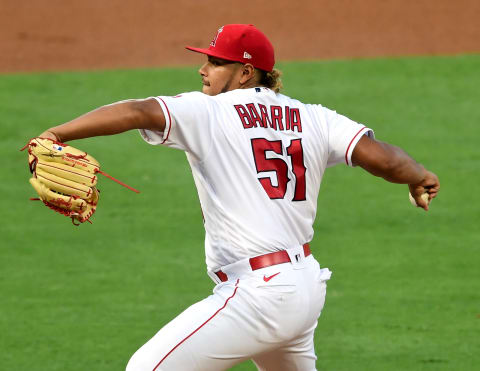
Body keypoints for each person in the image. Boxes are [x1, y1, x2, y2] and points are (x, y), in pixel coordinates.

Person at [38, 24, 440, 371]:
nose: (203, 68)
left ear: (246, 72)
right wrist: (418, 176)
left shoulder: (209, 112)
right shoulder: (314, 116)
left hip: (259, 294)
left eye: (215, 62)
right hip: (303, 287)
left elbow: (138, 111)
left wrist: (57, 134)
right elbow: (380, 156)